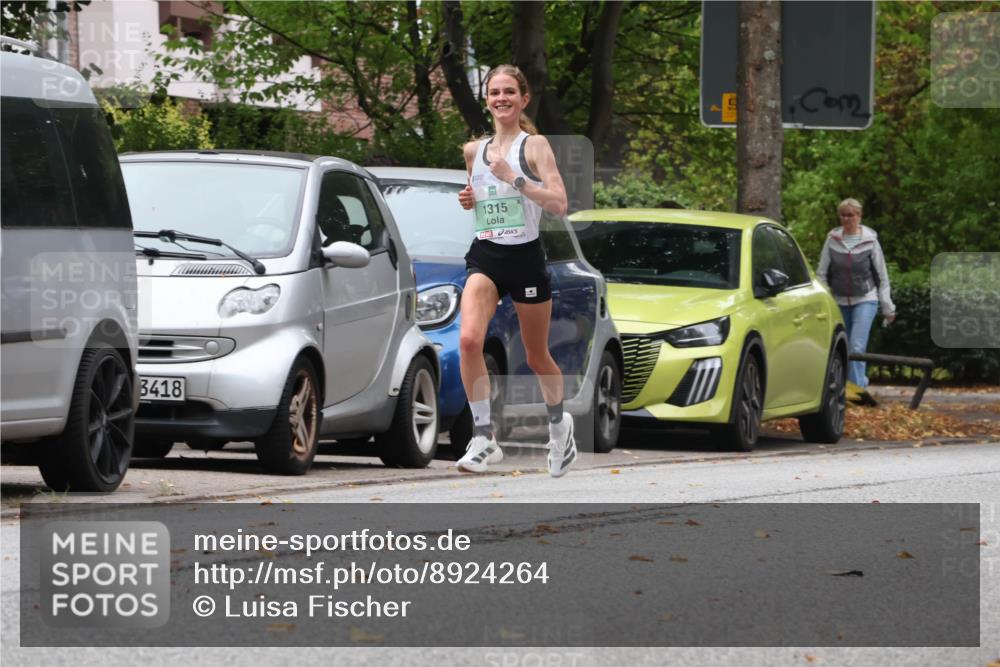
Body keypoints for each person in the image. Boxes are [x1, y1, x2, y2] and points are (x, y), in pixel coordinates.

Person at [454, 64, 573, 477]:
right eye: (493, 92)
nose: (501, 98)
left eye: (509, 92)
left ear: (523, 99)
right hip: (486, 255)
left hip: (525, 258)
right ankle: (485, 437)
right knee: (469, 340)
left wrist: (516, 178)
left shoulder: (534, 146)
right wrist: (470, 198)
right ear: (486, 99)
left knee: (538, 355)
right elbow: (483, 197)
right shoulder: (474, 151)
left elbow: (559, 203)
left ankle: (560, 427)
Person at [817, 198, 896, 389]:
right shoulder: (832, 240)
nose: (847, 219)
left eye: (851, 215)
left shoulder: (870, 241)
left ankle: (857, 390)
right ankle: (854, 384)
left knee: (856, 347)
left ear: (859, 216)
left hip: (866, 299)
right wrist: (827, 300)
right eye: (843, 215)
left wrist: (887, 307)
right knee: (842, 347)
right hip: (839, 301)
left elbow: (882, 276)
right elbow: (821, 274)